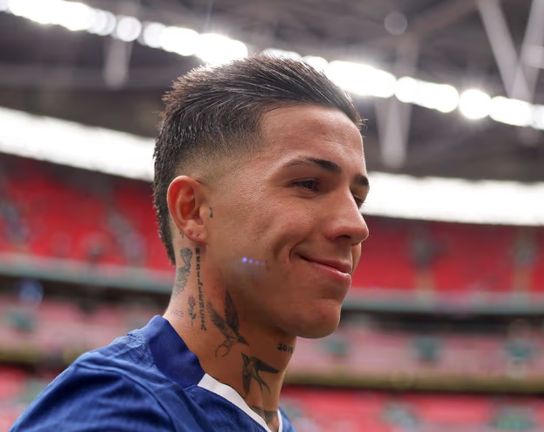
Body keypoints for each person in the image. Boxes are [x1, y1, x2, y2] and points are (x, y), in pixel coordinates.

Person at [11, 56, 370, 432]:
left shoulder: (267, 422)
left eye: (357, 199)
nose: (357, 226)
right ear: (193, 210)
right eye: (309, 184)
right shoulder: (116, 414)